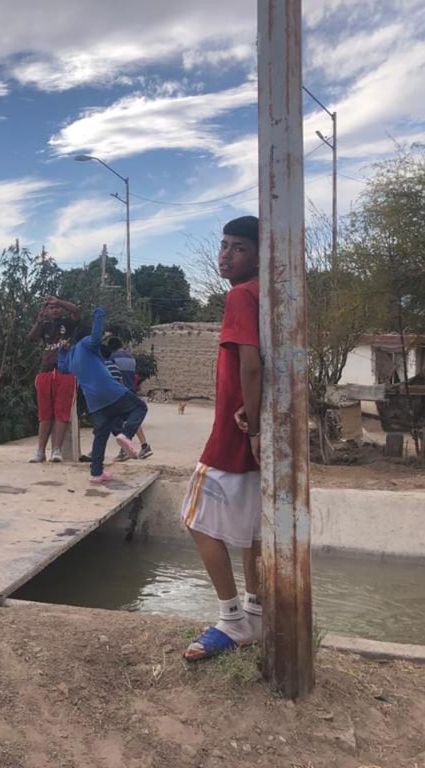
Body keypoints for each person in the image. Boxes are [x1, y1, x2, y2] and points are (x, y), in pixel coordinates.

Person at [181, 215, 263, 662]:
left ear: (259, 254)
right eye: (225, 245)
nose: (226, 254)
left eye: (239, 248)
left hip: (234, 433)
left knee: (193, 518)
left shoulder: (239, 296)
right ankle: (256, 615)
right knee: (252, 531)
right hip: (251, 425)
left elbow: (251, 364)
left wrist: (252, 425)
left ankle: (231, 619)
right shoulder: (266, 294)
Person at [58, 306, 148, 483]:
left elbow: (62, 368)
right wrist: (99, 313)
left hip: (94, 402)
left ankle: (96, 472)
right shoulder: (86, 344)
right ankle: (126, 434)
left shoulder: (69, 357)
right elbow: (96, 336)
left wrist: (62, 351)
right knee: (139, 407)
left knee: (101, 434)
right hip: (109, 390)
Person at [27, 296, 80, 462]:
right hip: (46, 371)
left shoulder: (68, 323)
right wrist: (39, 320)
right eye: (50, 307)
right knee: (45, 414)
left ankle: (57, 450)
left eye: (57, 307)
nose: (55, 309)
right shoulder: (44, 325)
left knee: (61, 412)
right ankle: (40, 451)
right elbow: (31, 337)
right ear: (46, 310)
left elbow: (77, 311)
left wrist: (59, 301)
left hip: (65, 371)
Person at [107, 336, 153, 460]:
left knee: (118, 422)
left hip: (120, 392)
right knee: (132, 421)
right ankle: (144, 446)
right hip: (131, 391)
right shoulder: (131, 358)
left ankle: (124, 450)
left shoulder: (113, 358)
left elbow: (114, 376)